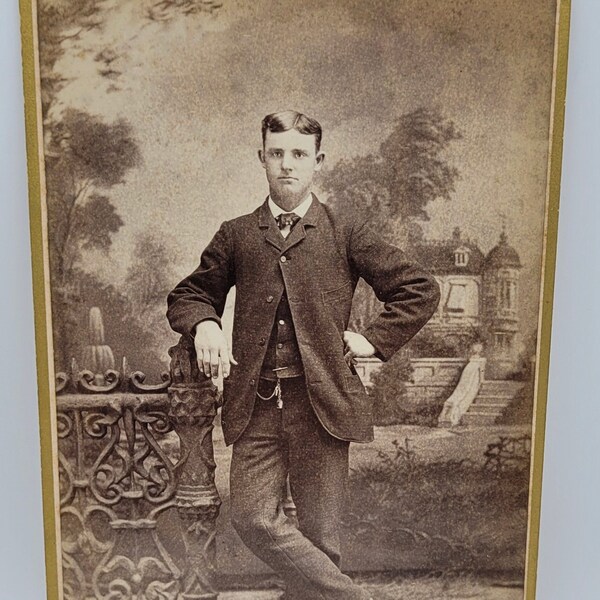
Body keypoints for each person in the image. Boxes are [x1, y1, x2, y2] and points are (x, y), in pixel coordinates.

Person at [166, 110, 440, 600]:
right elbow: (187, 295)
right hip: (257, 406)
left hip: (323, 405)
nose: (286, 165)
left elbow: (417, 289)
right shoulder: (237, 234)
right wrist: (206, 322)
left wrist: (373, 340)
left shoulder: (345, 231)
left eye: (298, 154)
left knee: (320, 543)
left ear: (318, 162)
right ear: (261, 159)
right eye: (276, 154)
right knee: (252, 518)